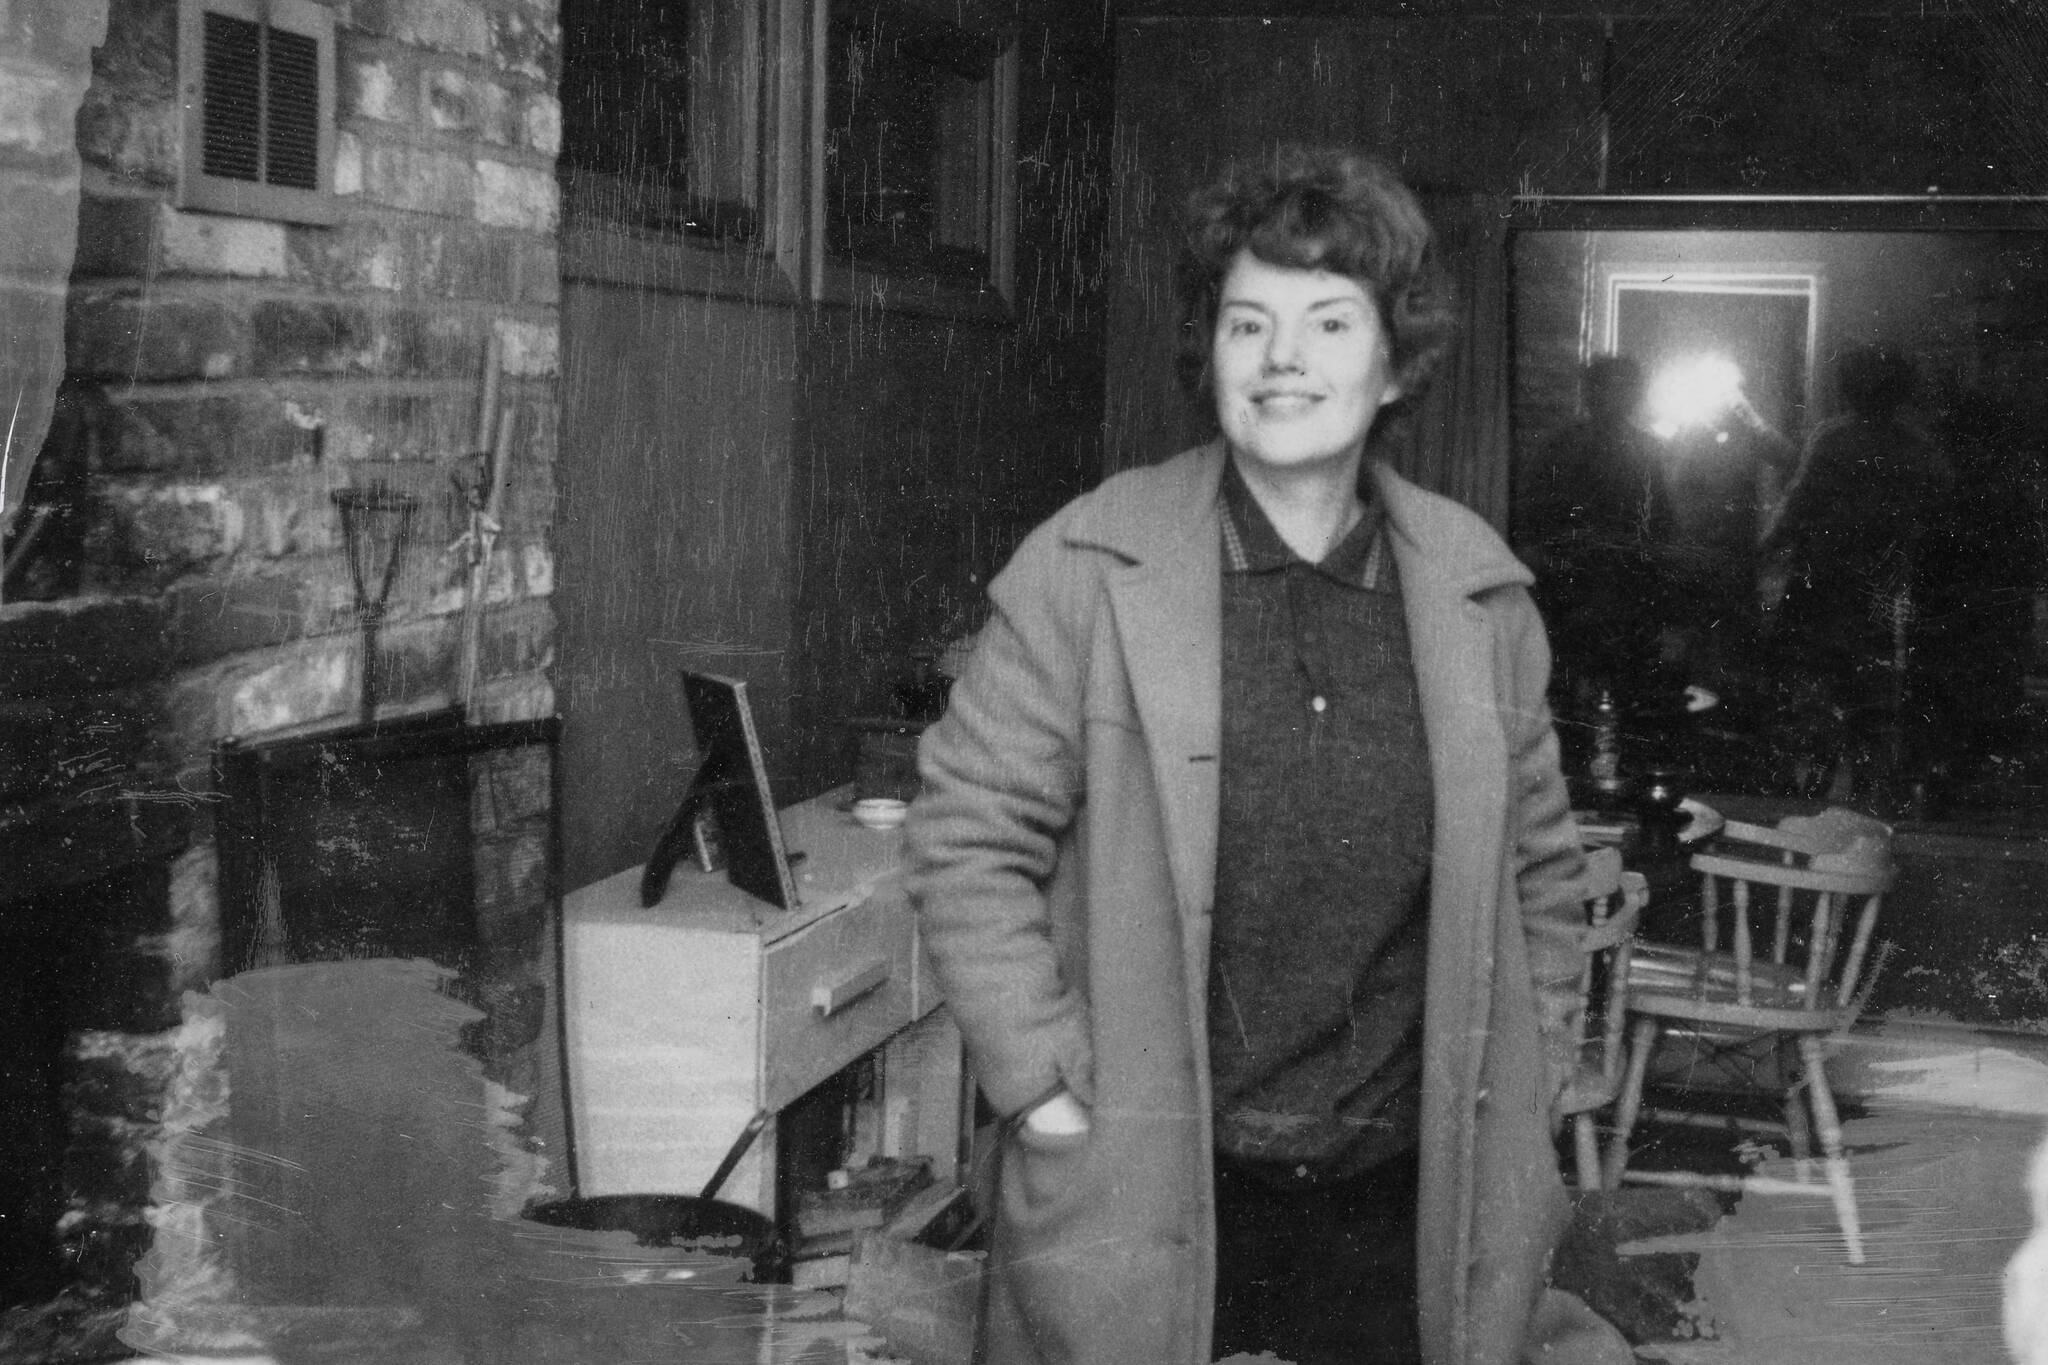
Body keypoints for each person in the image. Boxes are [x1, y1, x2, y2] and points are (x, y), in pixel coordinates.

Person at [907, 147, 1629, 1365]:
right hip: (1144, 1192)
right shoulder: (1086, 567)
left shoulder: (1479, 596)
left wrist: (1535, 1068)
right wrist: (1042, 1089)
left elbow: (1547, 877)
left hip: (1405, 1204)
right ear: (1212, 356)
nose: (1280, 356)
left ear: (1393, 361)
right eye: (1248, 322)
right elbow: (965, 841)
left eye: (1326, 321)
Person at [1762, 342, 1954, 799]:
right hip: (1879, 584)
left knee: (1819, 681)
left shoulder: (1834, 437)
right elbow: (1940, 503)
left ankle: (1817, 779)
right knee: (1866, 685)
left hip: (1824, 579)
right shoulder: (1917, 446)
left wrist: (1768, 546)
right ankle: (1866, 784)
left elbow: (1800, 502)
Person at [1514, 354, 1679, 706]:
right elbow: (1533, 517)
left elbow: (1663, 526)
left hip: (1625, 593)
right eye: (1608, 388)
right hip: (1572, 589)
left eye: (1625, 389)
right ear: (1591, 393)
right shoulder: (1562, 448)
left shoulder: (1644, 450)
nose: (1617, 398)